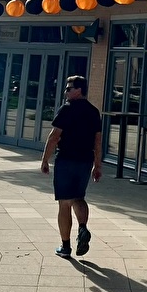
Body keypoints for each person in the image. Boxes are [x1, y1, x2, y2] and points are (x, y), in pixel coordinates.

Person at [40, 75, 102, 258]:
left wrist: (45, 160)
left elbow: (54, 136)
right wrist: (97, 165)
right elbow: (98, 141)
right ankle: (83, 228)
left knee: (64, 203)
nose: (65, 92)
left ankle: (65, 247)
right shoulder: (93, 111)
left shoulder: (67, 109)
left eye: (68, 88)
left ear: (78, 90)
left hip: (66, 160)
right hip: (85, 160)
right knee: (79, 197)